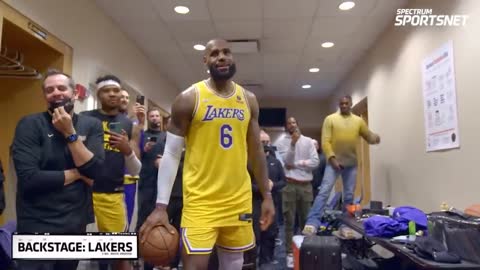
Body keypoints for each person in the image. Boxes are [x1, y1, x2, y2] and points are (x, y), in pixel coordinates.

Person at [140, 38, 275, 270]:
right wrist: (161, 206)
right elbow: (171, 154)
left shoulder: (249, 100)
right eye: (214, 54)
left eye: (226, 52)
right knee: (194, 266)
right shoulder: (189, 98)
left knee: (234, 262)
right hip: (200, 201)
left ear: (233, 58)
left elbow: (256, 152)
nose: (221, 57)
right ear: (206, 61)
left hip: (238, 200)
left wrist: (267, 196)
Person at [11, 69, 104, 270]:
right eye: (49, 90)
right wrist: (79, 173)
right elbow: (30, 179)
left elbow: (96, 174)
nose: (56, 93)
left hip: (74, 223)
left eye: (62, 88)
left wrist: (70, 133)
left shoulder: (91, 125)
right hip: (36, 224)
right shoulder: (29, 124)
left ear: (75, 93)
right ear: (45, 96)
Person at [81, 75, 142, 270]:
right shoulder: (84, 118)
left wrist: (127, 149)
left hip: (113, 194)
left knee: (120, 254)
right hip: (84, 193)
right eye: (107, 90)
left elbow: (136, 169)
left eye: (116, 90)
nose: (113, 94)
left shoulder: (129, 124)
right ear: (98, 94)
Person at [303, 95, 380, 236]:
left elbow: (368, 136)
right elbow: (325, 141)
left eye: (346, 103)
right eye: (341, 104)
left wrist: (376, 138)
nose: (343, 106)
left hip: (351, 164)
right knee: (324, 191)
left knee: (349, 195)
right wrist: (332, 159)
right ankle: (312, 222)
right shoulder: (330, 119)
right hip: (333, 163)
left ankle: (345, 224)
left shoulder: (358, 121)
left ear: (350, 104)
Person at [275, 117, 319, 267]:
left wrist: (298, 164)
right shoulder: (281, 143)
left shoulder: (308, 141)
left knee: (306, 221)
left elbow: (315, 162)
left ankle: (307, 251)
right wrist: (292, 144)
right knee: (289, 221)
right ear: (286, 126)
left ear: (297, 124)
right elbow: (286, 163)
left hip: (306, 186)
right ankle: (289, 253)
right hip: (290, 185)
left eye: (294, 122)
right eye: (289, 123)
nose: (292, 125)